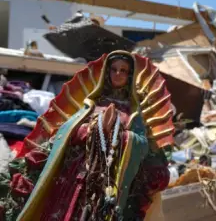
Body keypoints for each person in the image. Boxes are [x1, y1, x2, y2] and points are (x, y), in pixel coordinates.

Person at [1, 50, 173, 220]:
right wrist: (88, 130)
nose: (118, 74)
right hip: (76, 174)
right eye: (114, 69)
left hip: (111, 180)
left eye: (123, 70)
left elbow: (141, 145)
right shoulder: (91, 104)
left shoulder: (133, 113)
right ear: (107, 72)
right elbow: (66, 131)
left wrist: (120, 136)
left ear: (129, 75)